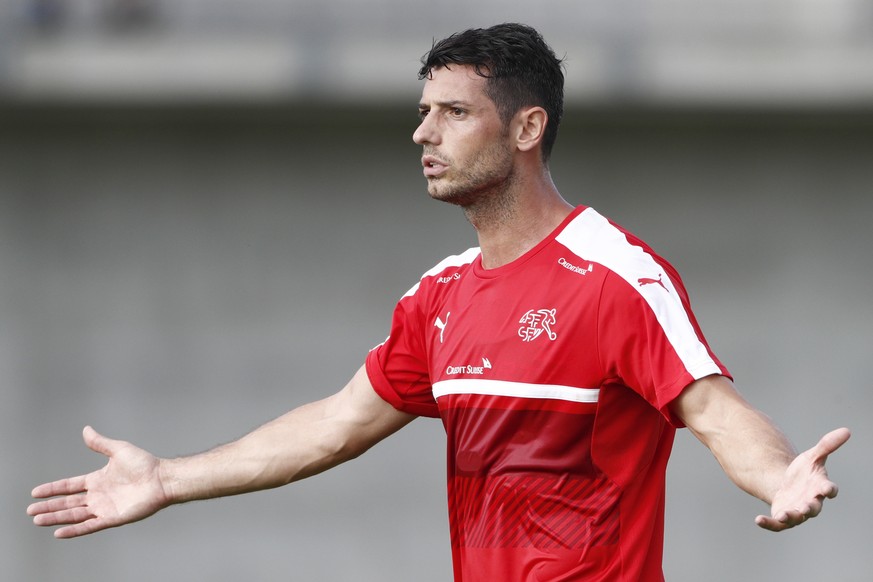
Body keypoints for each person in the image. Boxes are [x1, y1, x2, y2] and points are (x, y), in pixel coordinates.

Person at [28, 23, 850, 581]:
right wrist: (169, 478)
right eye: (423, 113)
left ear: (525, 129)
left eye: (453, 113)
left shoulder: (615, 275)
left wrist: (778, 477)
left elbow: (712, 410)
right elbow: (334, 425)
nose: (423, 134)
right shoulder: (439, 295)